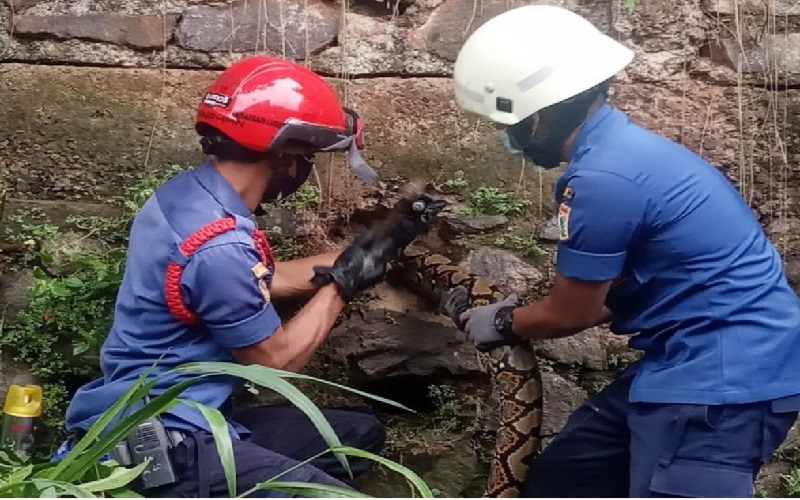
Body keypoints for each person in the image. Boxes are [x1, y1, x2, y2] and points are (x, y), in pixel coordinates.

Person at [445, 4, 800, 498]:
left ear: (540, 116)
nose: (507, 136)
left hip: (721, 380)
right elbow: (619, 292)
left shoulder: (602, 180)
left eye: (508, 121)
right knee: (565, 482)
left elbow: (572, 313)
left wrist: (500, 322)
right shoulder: (627, 152)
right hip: (679, 359)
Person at [56, 56, 441, 497]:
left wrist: (376, 246)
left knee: (356, 434)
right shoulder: (218, 245)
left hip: (177, 412)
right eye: (307, 156)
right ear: (284, 155)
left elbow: (261, 280)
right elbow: (275, 362)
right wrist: (342, 287)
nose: (305, 169)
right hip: (171, 444)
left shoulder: (189, 198)